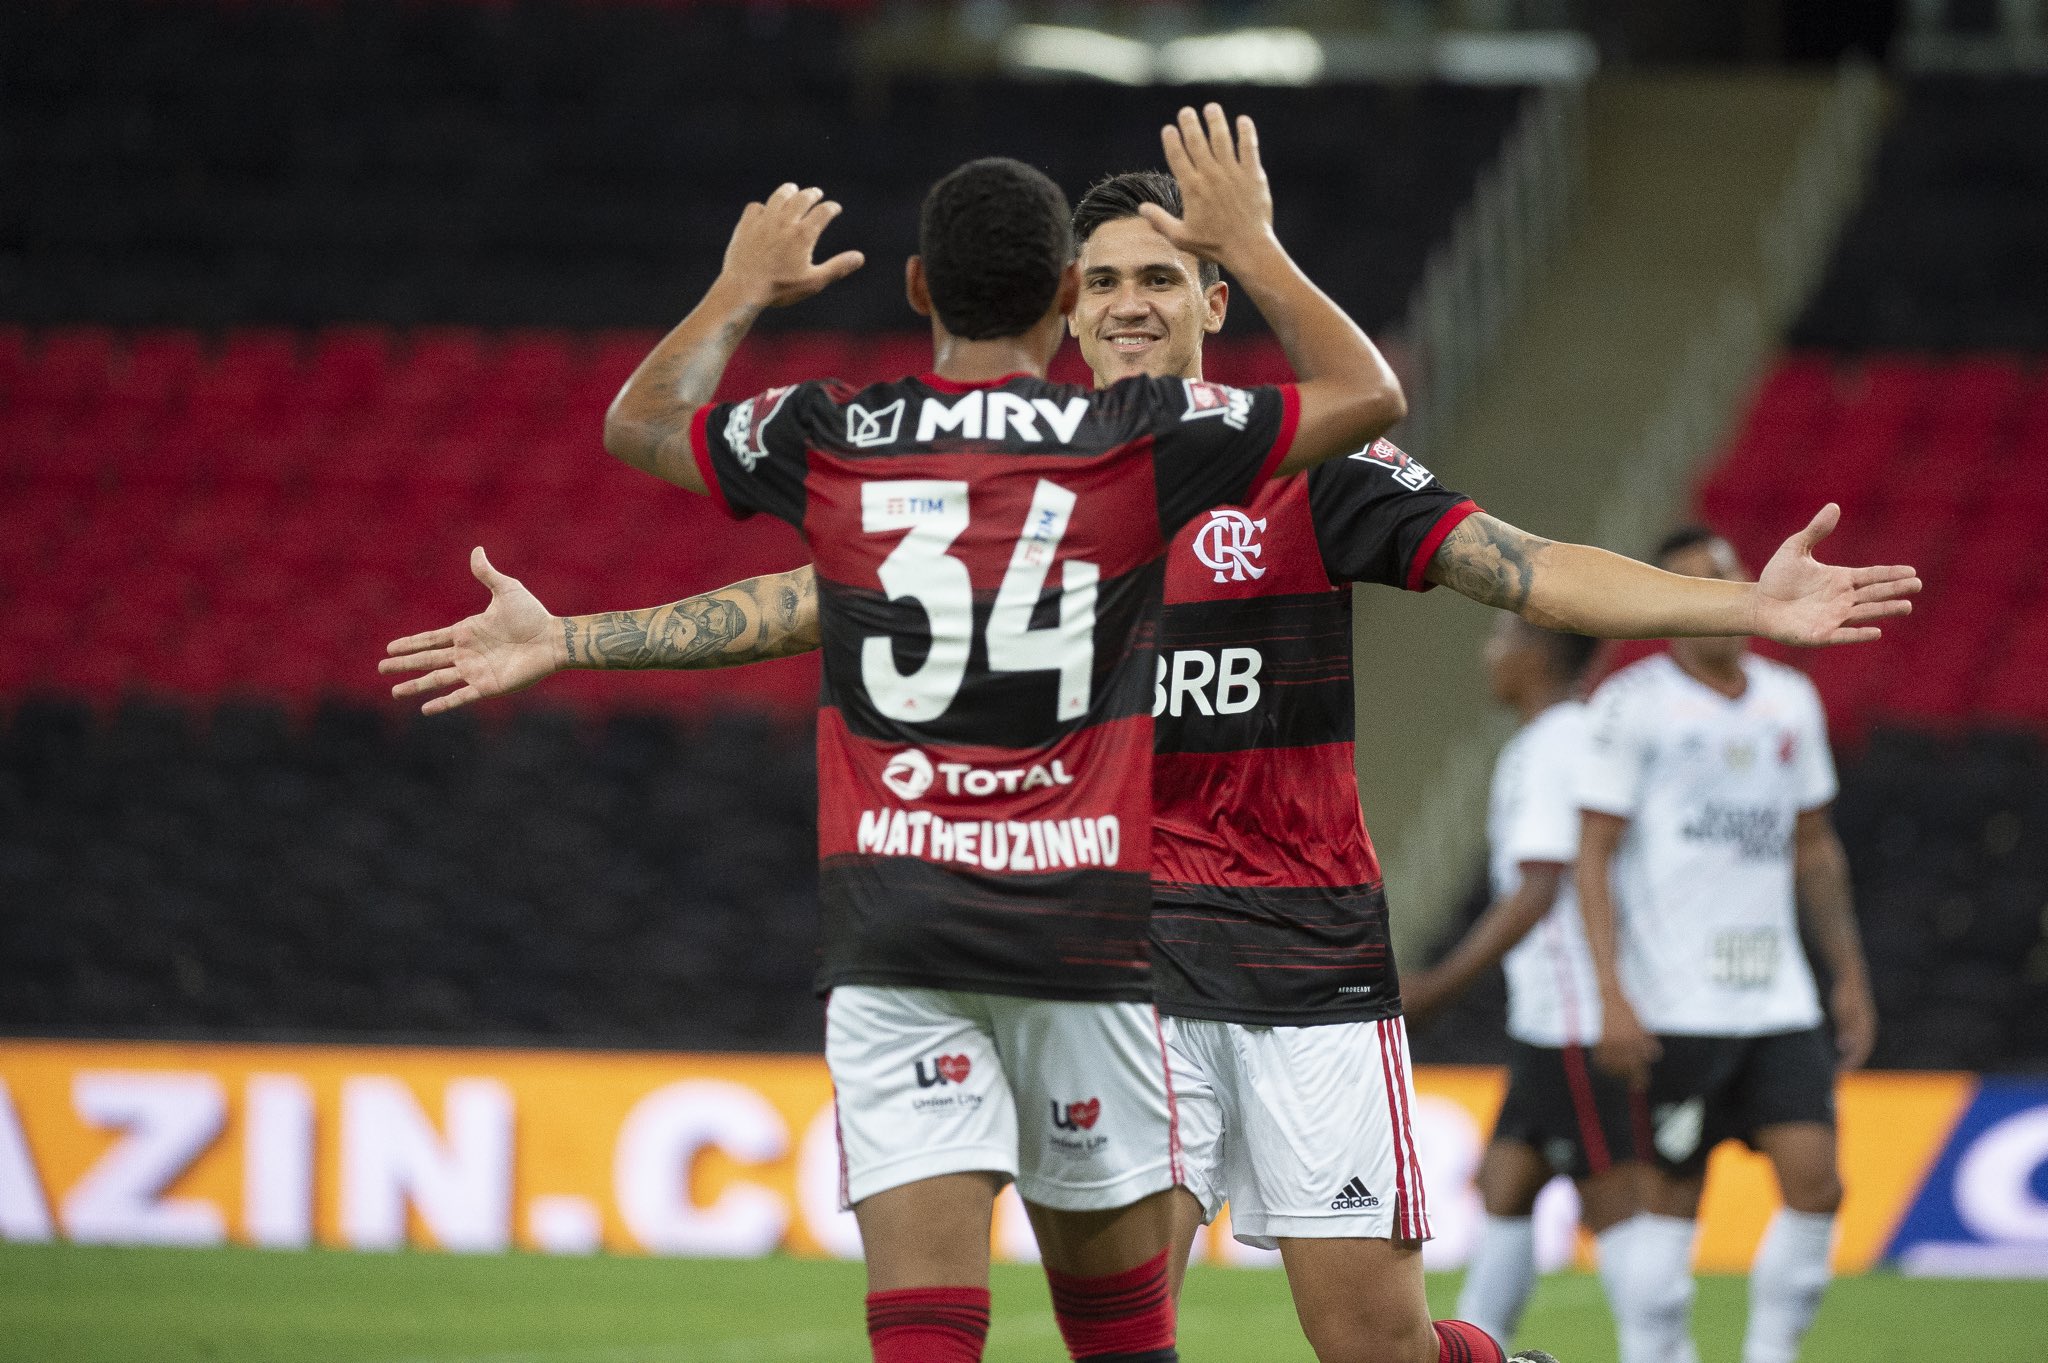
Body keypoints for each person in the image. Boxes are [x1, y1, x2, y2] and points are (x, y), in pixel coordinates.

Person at [387, 167, 1918, 1363]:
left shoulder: (1305, 467)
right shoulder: (1008, 472)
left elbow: (1527, 569)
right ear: (1064, 298)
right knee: (1125, 1313)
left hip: (1308, 949)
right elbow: (804, 604)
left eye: (1161, 278)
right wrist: (581, 634)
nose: (1128, 301)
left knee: (1365, 1335)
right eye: (1104, 276)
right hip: (1118, 951)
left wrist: (1743, 607)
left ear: (1207, 300)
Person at [533, 105, 1409, 1363]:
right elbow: (1363, 393)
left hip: (895, 917)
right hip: (1082, 925)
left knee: (926, 1322)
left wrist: (737, 291)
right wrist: (1251, 250)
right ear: (1064, 294)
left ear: (911, 285)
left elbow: (641, 427)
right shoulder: (1129, 446)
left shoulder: (832, 432)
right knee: (1117, 1330)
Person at [1575, 526, 1879, 1363]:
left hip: (1777, 996)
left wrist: (1847, 974)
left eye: (1726, 573)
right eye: (1694, 582)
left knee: (1817, 1184)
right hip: (1676, 1002)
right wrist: (1610, 991)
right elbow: (1591, 856)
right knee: (1670, 1203)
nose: (1718, 592)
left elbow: (1814, 847)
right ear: (1670, 606)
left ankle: (1770, 1354)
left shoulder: (1791, 700)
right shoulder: (1631, 706)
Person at [1401, 616, 1652, 1356]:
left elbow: (1539, 887)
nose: (1489, 654)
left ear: (1537, 657)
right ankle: (1488, 1348)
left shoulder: (1554, 747)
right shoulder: (1557, 740)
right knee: (1504, 1185)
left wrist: (1440, 986)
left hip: (1575, 1016)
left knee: (1620, 1214)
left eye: (1501, 639)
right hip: (1550, 1015)